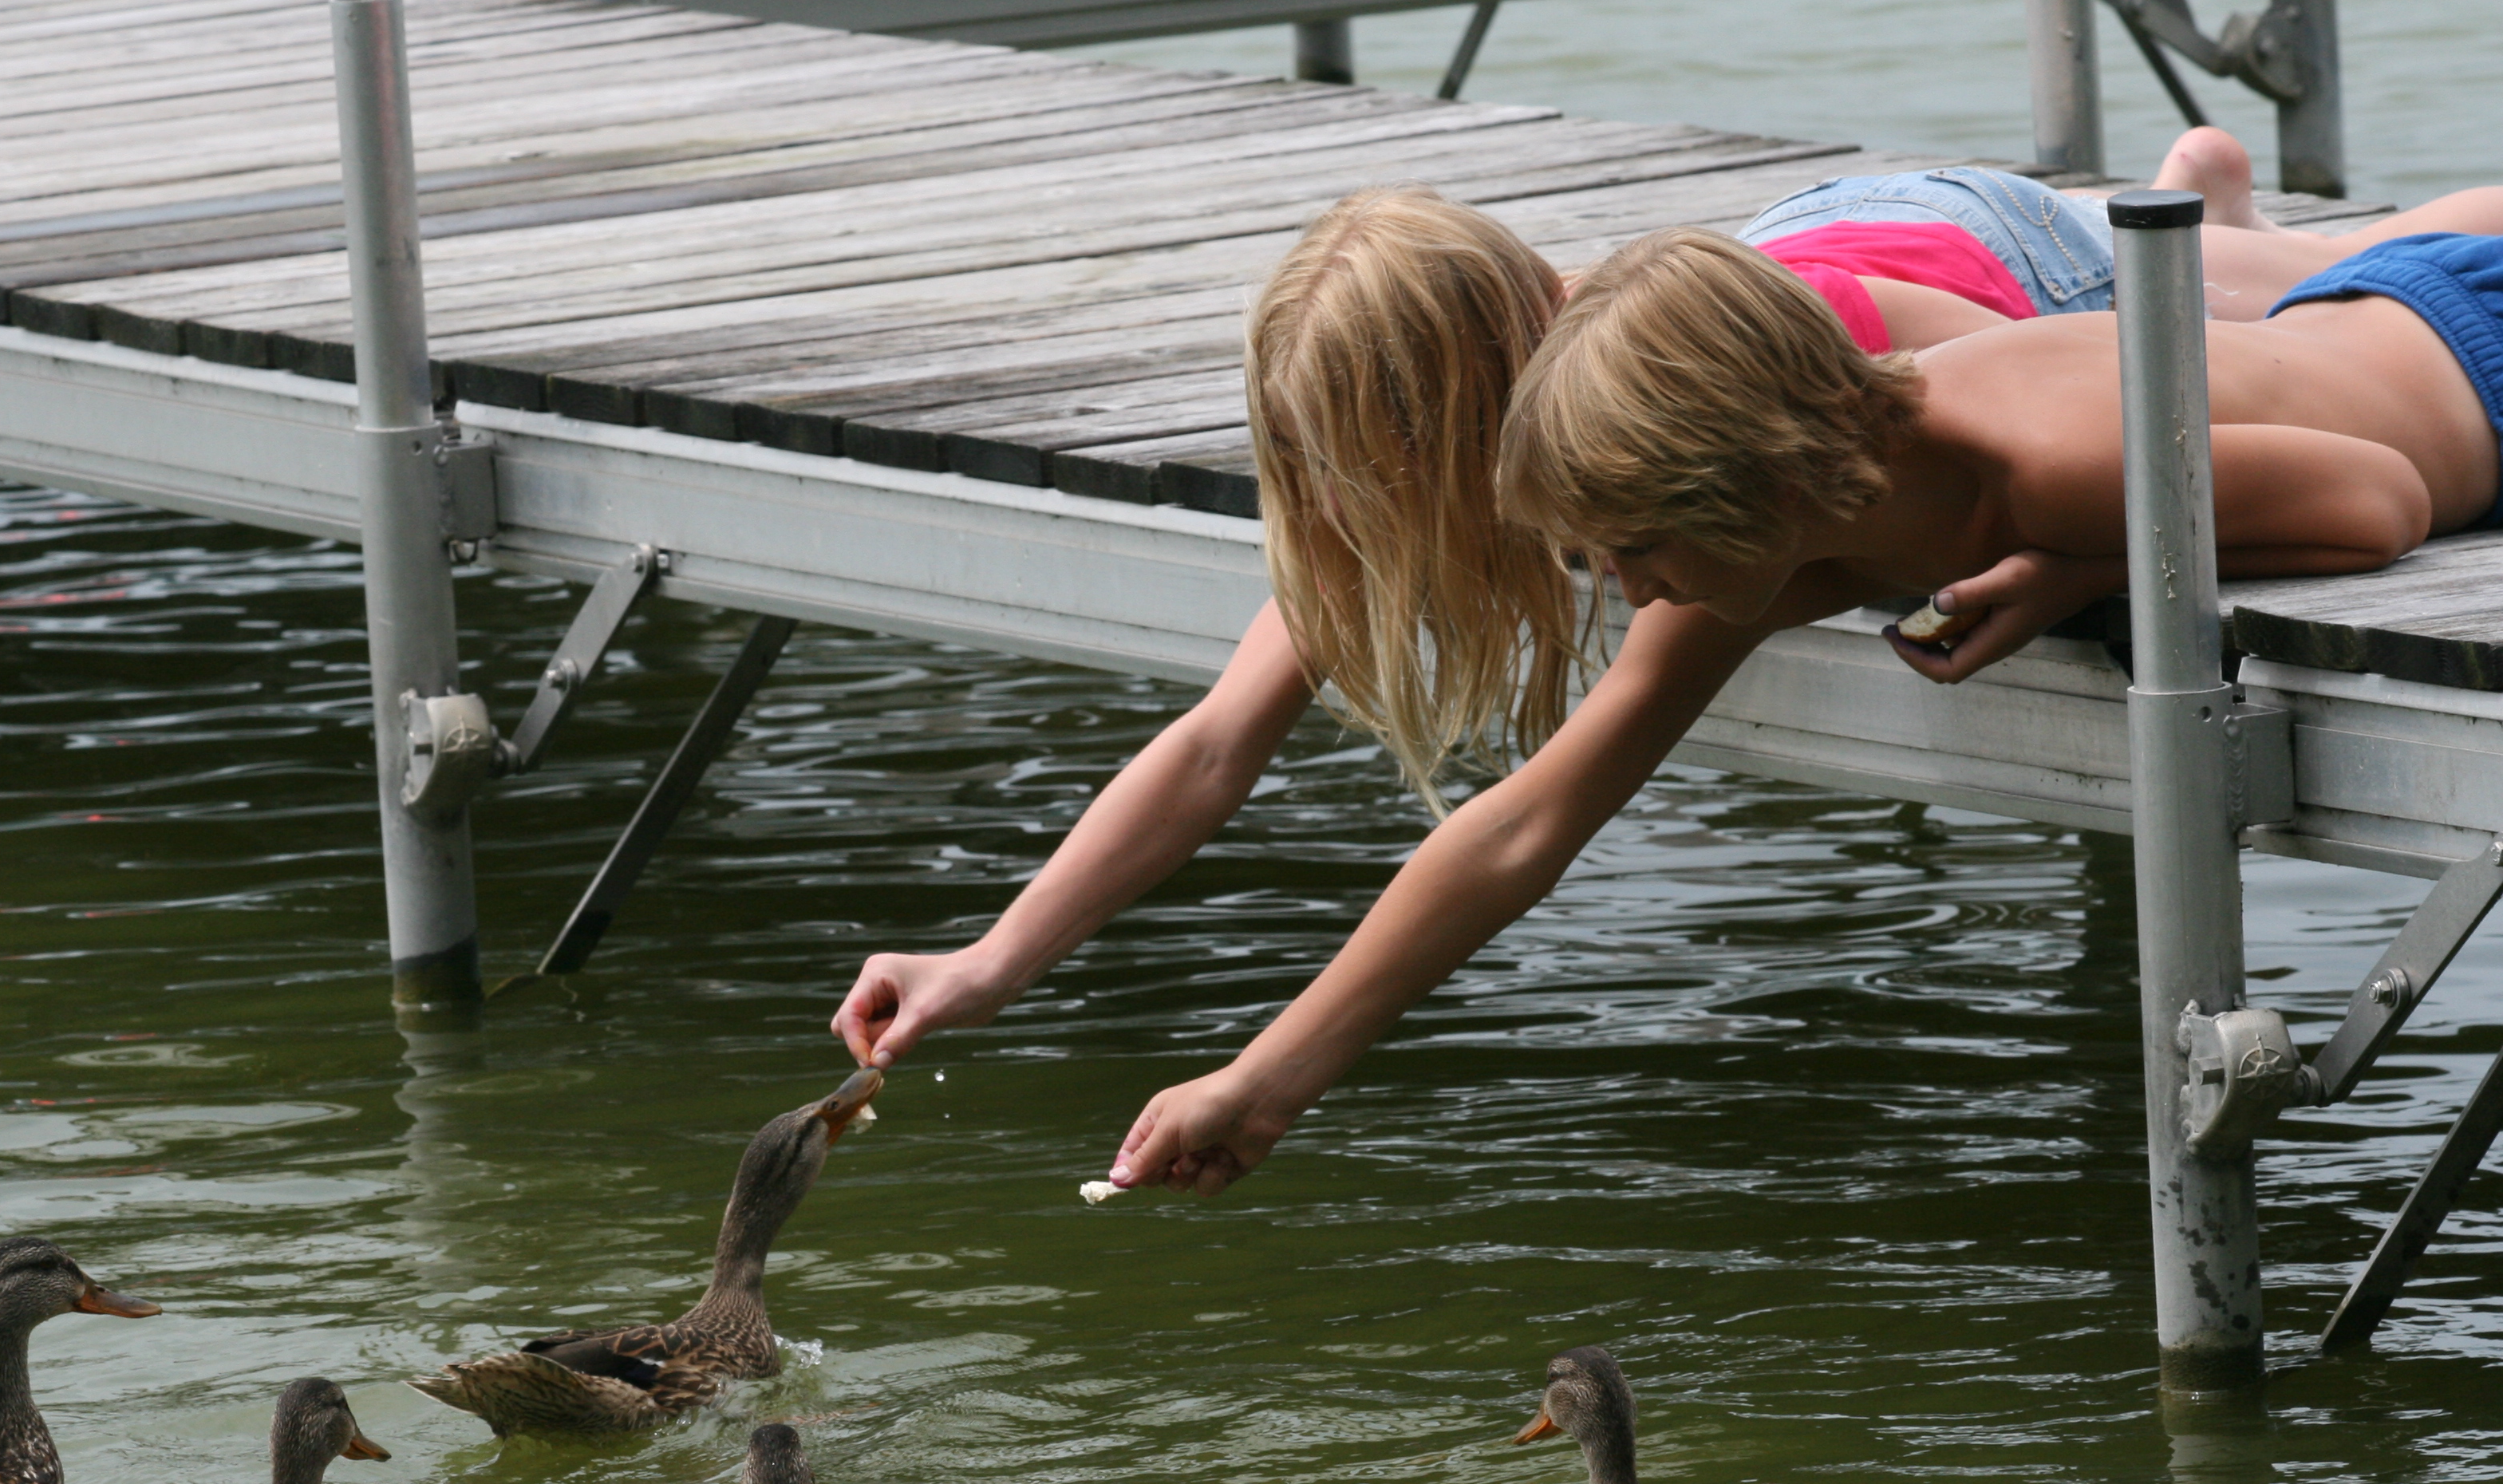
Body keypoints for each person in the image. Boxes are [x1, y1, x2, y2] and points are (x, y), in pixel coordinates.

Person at [827, 137, 2503, 1153]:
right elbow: (1222, 744)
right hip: (1897, 300)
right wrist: (996, 959)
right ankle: (2213, 211)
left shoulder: (1806, 422)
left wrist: (2067, 559)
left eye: (1371, 483)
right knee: (2304, 314)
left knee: (2262, 310)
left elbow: (1534, 819)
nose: (1349, 523)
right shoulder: (1669, 450)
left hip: (1983, 267)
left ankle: (2202, 217)